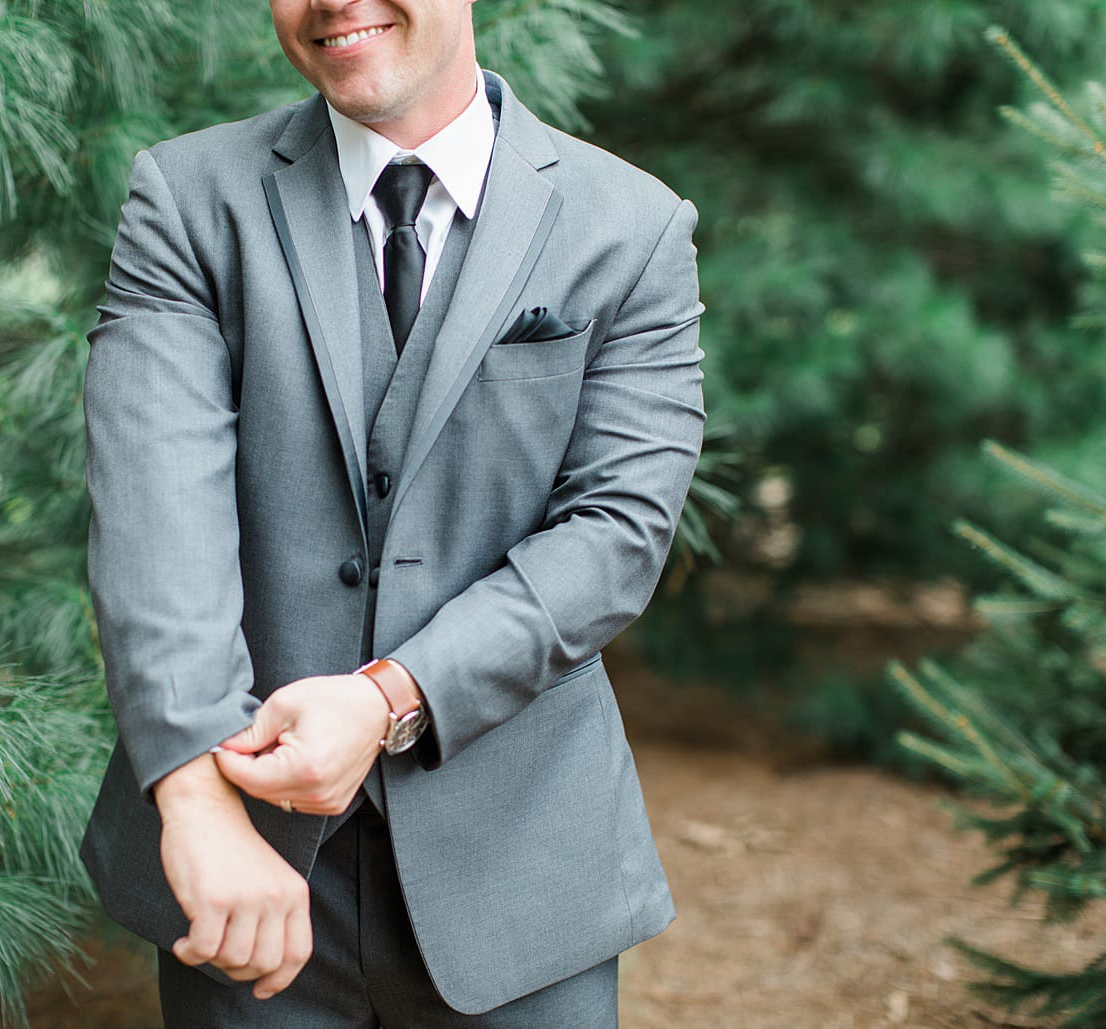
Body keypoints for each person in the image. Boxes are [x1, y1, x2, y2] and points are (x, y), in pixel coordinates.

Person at [78, 1, 705, 1024]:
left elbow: (615, 533)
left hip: (519, 872)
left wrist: (385, 700)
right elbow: (155, 506)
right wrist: (195, 794)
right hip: (243, 859)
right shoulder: (188, 198)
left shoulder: (630, 226)